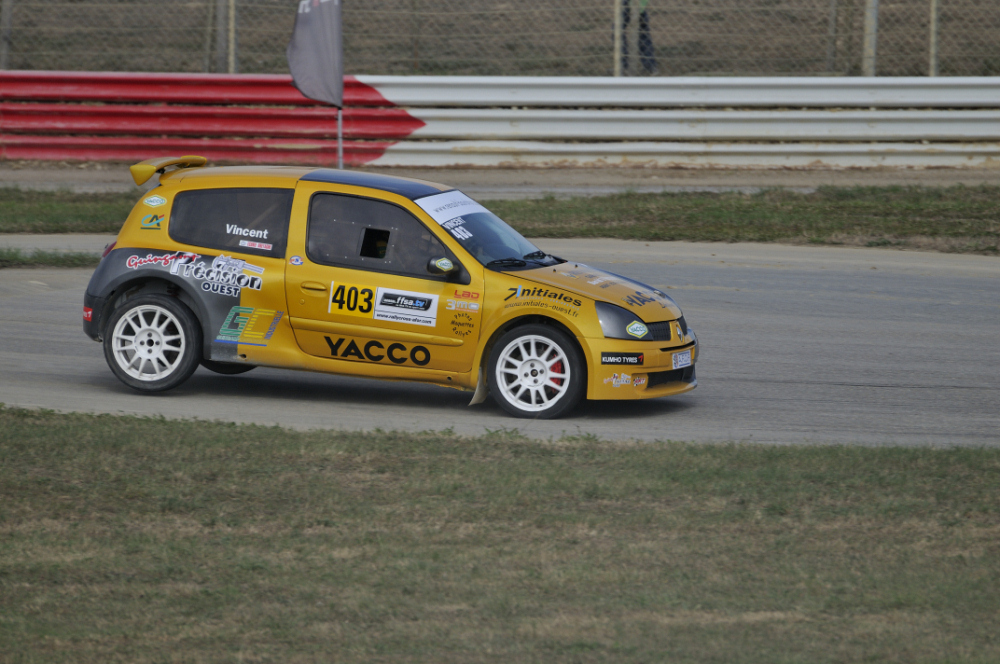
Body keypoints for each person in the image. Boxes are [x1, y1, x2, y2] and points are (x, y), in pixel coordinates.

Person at [621, 0, 657, 75]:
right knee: (643, 32)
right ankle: (650, 66)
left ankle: (623, 66)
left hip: (632, 3)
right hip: (640, 3)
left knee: (617, 30)